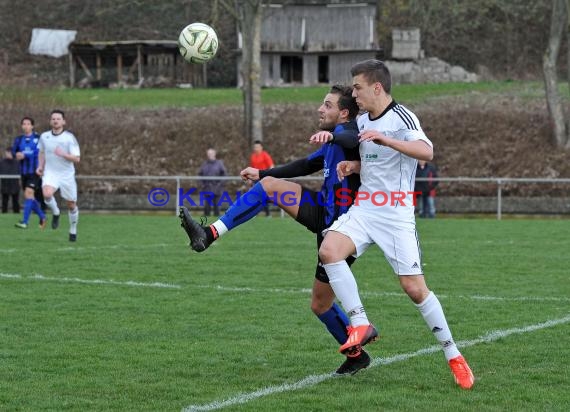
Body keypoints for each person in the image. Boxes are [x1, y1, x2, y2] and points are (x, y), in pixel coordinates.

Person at [180, 85, 370, 375]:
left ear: (344, 112)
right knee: (267, 187)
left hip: (343, 231)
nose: (321, 109)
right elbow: (304, 164)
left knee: (320, 305)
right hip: (322, 211)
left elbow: (350, 136)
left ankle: (357, 353)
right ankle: (209, 234)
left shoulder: (350, 135)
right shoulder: (332, 143)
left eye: (328, 105)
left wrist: (334, 134)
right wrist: (262, 173)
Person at [318, 60, 474, 389]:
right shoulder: (362, 119)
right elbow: (376, 163)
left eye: (358, 87)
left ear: (377, 88)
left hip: (395, 214)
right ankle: (360, 323)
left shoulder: (402, 116)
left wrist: (388, 141)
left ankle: (453, 354)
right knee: (329, 250)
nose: (354, 94)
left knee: (414, 289)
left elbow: (425, 151)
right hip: (365, 209)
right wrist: (353, 164)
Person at [36, 110, 81, 242]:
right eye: (53, 119)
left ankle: (73, 229)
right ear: (50, 121)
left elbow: (77, 159)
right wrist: (40, 166)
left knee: (71, 205)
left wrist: (63, 154)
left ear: (63, 122)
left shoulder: (69, 137)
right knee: (47, 194)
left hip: (66, 175)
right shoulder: (44, 136)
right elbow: (42, 152)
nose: (55, 121)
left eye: (58, 119)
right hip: (51, 172)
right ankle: (56, 212)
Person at [12, 116, 47, 228]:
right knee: (29, 197)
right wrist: (16, 155)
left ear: (32, 126)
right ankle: (42, 216)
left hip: (35, 171)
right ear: (22, 126)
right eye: (24, 124)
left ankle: (25, 222)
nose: (26, 126)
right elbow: (14, 152)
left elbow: (41, 152)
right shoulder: (18, 139)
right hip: (24, 172)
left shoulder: (38, 138)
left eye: (28, 124)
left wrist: (25, 154)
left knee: (28, 193)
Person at [198, 148, 227, 216]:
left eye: (211, 153)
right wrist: (202, 184)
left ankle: (217, 224)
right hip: (207, 188)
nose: (210, 155)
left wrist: (220, 184)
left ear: (214, 154)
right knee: (206, 208)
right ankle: (206, 223)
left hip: (217, 189)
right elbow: (200, 175)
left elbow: (224, 175)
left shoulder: (219, 164)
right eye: (208, 154)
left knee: (216, 207)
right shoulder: (204, 164)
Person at [248, 140, 274, 216]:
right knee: (255, 195)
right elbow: (252, 168)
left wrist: (271, 176)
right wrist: (250, 179)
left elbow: (271, 166)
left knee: (264, 196)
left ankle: (268, 214)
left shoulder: (265, 155)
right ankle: (254, 213)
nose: (256, 148)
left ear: (261, 147)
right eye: (255, 147)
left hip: (264, 178)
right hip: (256, 179)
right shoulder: (253, 156)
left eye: (257, 147)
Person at [0, 147, 21, 214]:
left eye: (9, 152)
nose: (8, 154)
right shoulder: (2, 162)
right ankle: (4, 213)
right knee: (4, 201)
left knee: (15, 201)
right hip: (5, 184)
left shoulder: (17, 162)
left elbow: (19, 172)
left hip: (14, 185)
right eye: (7, 152)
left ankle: (16, 213)